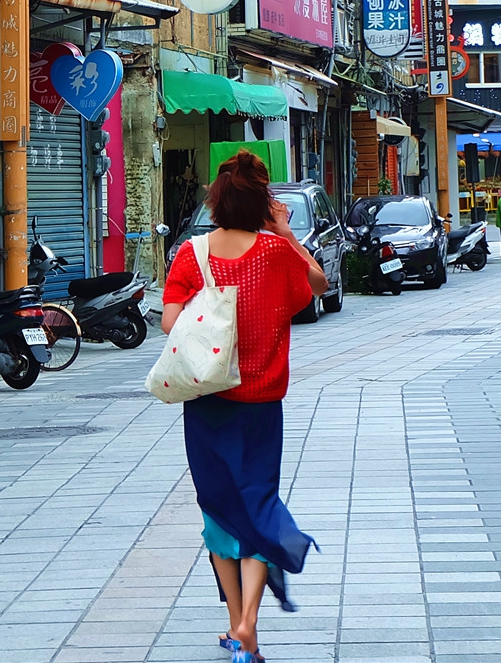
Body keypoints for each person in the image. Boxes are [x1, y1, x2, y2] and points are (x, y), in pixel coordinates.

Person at [162, 151, 329, 663]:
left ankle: (238, 626)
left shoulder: (191, 255)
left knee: (218, 509)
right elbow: (318, 285)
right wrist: (286, 233)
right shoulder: (276, 253)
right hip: (261, 405)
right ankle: (248, 623)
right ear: (263, 203)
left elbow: (169, 324)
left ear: (215, 202)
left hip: (208, 402)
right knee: (257, 503)